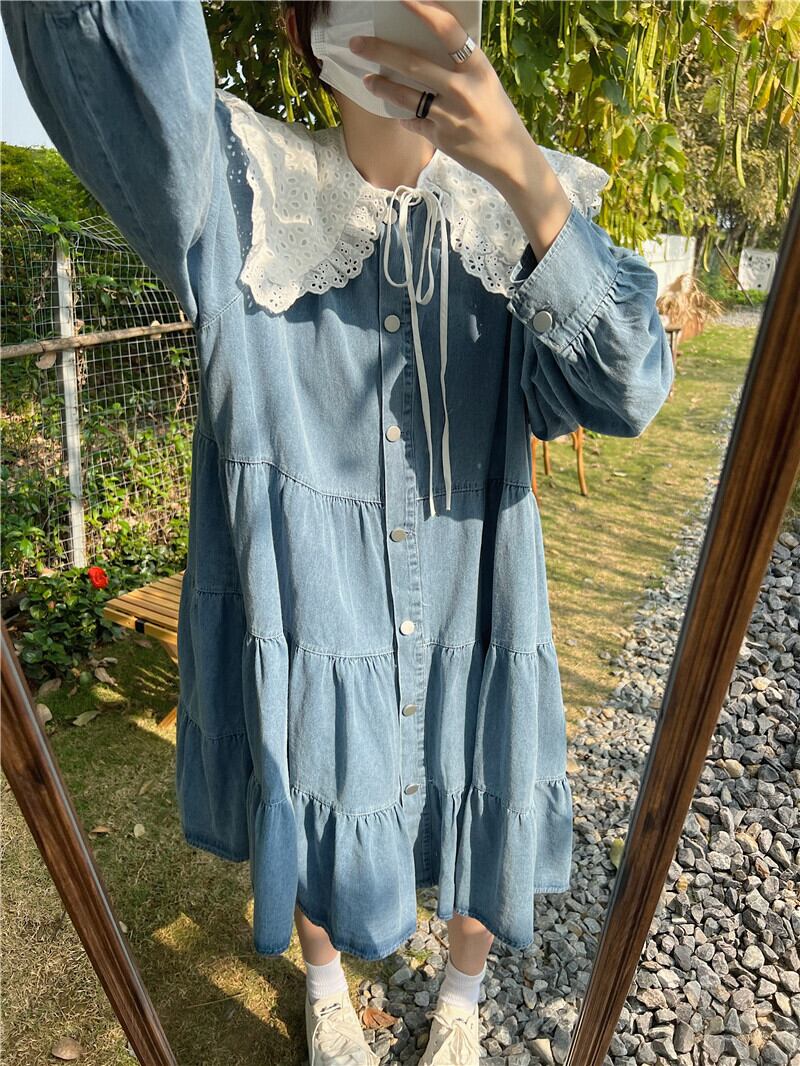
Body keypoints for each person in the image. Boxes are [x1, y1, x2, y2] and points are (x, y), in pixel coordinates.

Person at [3, 1, 674, 1063]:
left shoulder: (517, 210)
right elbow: (92, 36)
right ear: (311, 24)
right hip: (315, 609)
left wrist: (516, 163)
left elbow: (627, 385)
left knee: (479, 788)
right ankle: (325, 990)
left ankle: (459, 1003)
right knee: (312, 769)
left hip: (473, 605)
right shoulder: (240, 190)